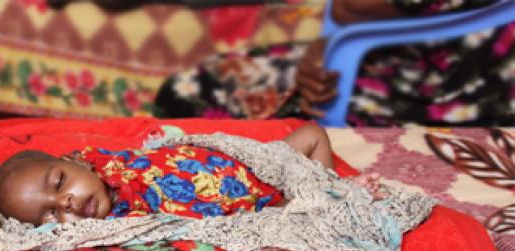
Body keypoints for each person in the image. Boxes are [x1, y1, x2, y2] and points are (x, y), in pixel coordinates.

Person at [154, 0, 514, 126]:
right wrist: (322, 48)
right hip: (482, 83)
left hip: (423, 94)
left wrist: (328, 48)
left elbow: (353, 8)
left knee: (189, 90)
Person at [0, 124, 382, 226]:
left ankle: (328, 184)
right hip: (261, 199)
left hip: (248, 162)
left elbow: (151, 149)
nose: (66, 202)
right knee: (305, 212)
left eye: (59, 183)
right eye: (52, 215)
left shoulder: (97, 160)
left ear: (77, 161)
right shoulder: (120, 222)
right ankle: (331, 196)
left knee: (312, 135)